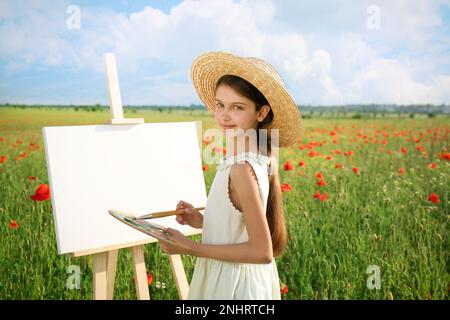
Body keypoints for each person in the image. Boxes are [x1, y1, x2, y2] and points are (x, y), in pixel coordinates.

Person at [158, 51, 301, 299]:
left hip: (234, 286)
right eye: (219, 105)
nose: (224, 115)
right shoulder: (259, 156)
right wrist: (202, 221)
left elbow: (261, 251)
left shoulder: (241, 169)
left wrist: (190, 247)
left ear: (261, 113)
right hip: (241, 279)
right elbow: (240, 227)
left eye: (237, 107)